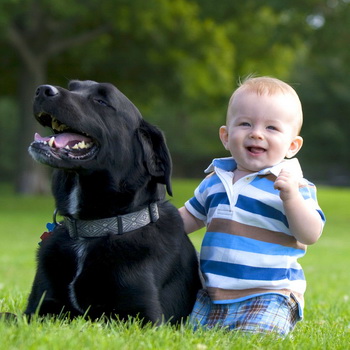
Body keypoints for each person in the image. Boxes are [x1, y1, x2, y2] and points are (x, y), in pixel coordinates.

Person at [179, 76, 326, 336]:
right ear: (225, 136)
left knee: (256, 335)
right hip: (212, 292)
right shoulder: (214, 180)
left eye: (271, 128)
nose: (256, 133)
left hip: (268, 293)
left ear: (292, 145)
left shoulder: (294, 185)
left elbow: (310, 234)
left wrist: (290, 197)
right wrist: (154, 225)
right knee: (184, 327)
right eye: (245, 123)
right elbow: (187, 219)